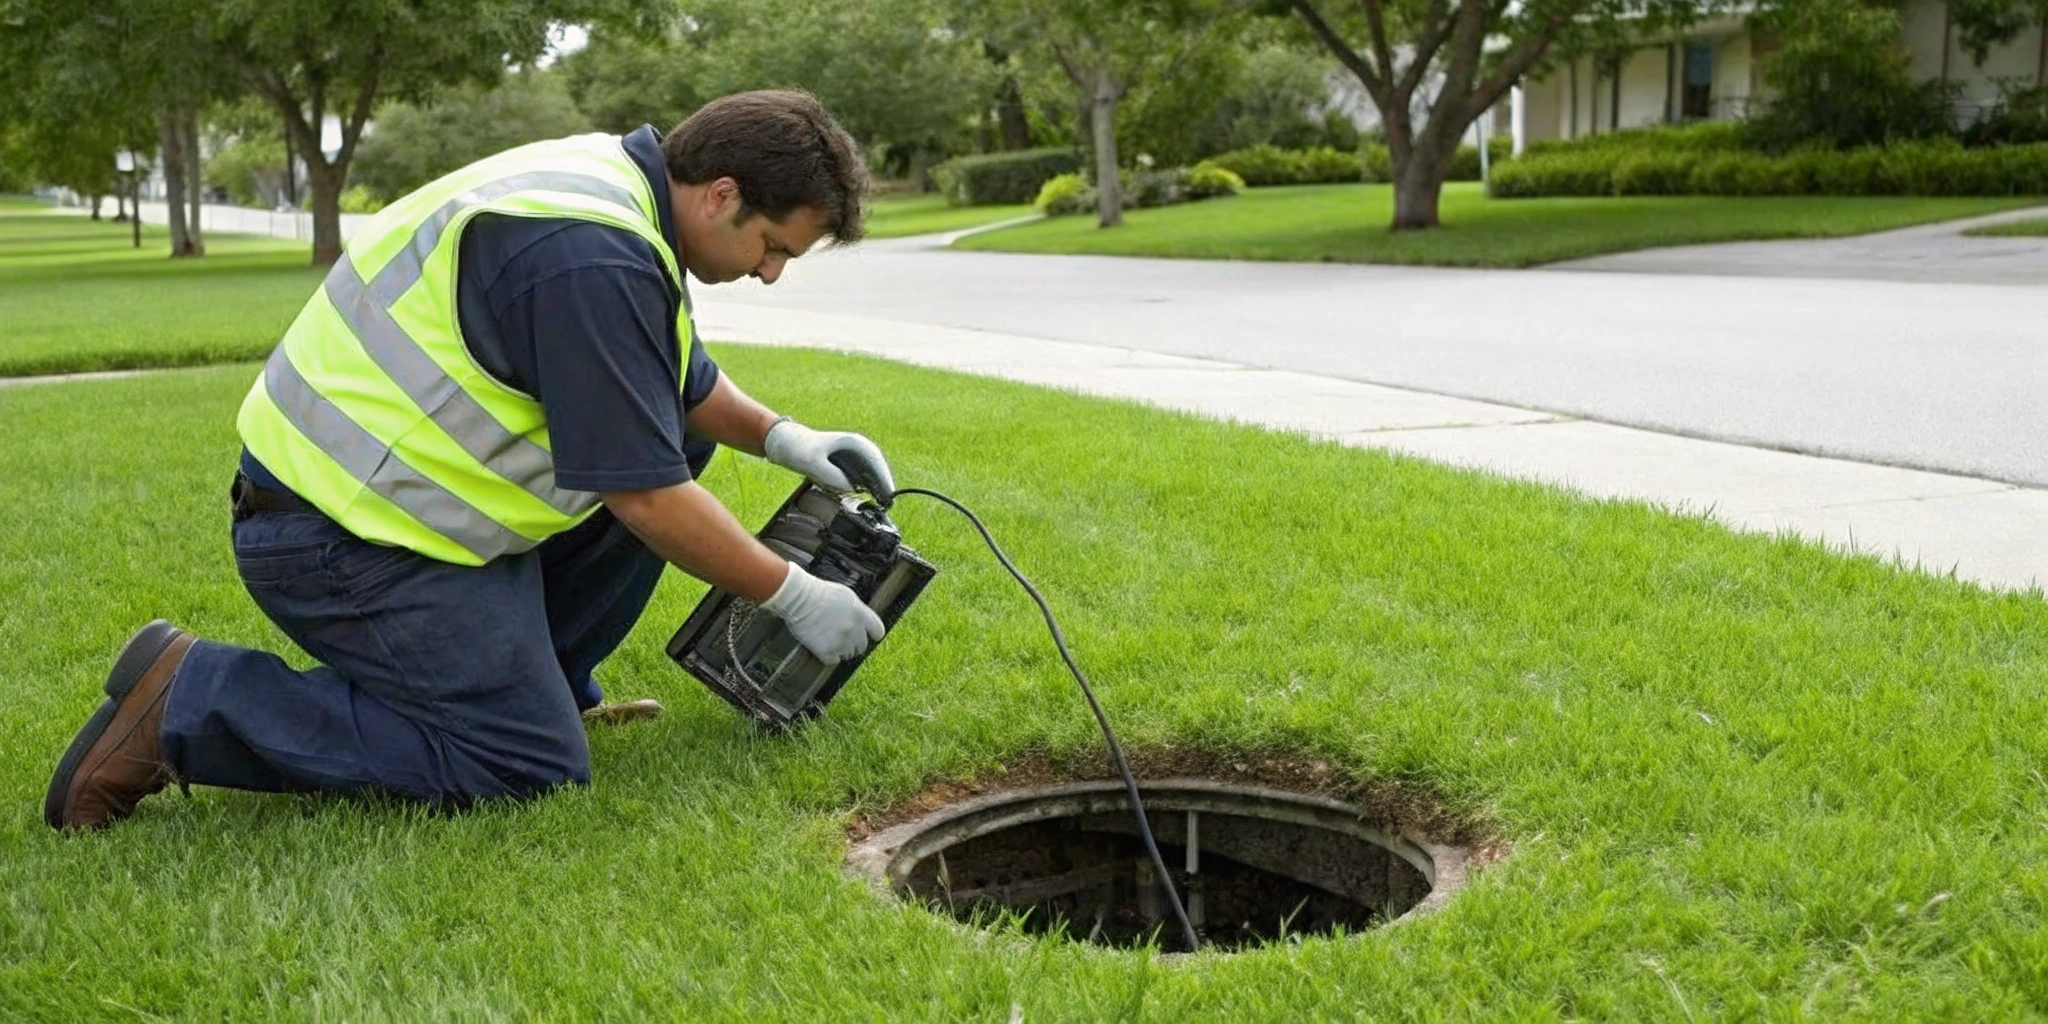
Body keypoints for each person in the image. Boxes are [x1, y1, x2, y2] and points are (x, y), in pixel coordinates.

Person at [45, 91, 895, 830]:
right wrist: (788, 592)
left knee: (678, 434)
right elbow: (644, 496)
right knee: (527, 766)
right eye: (776, 247)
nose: (774, 274)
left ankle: (542, 685)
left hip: (393, 516)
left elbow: (678, 386)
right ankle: (186, 701)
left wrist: (787, 437)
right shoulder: (590, 254)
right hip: (337, 544)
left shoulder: (615, 185)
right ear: (722, 196)